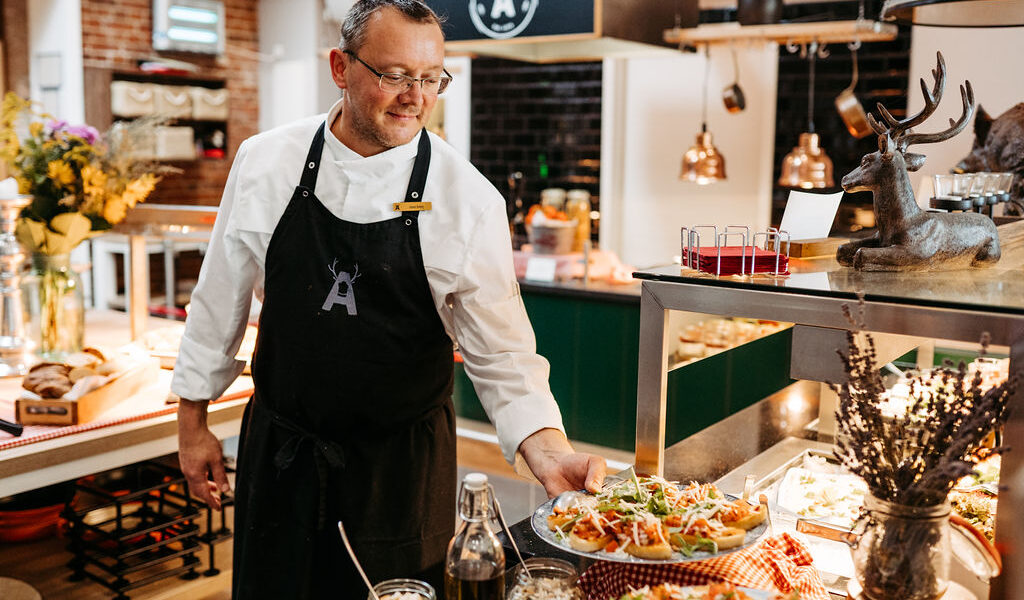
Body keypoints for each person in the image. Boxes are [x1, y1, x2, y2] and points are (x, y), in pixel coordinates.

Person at [173, 0, 607, 597]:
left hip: (401, 471)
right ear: (340, 67)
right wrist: (192, 420)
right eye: (395, 75)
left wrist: (549, 449)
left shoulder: (467, 199)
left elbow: (504, 357)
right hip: (283, 453)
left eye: (431, 79)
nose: (415, 97)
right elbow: (219, 295)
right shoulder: (265, 162)